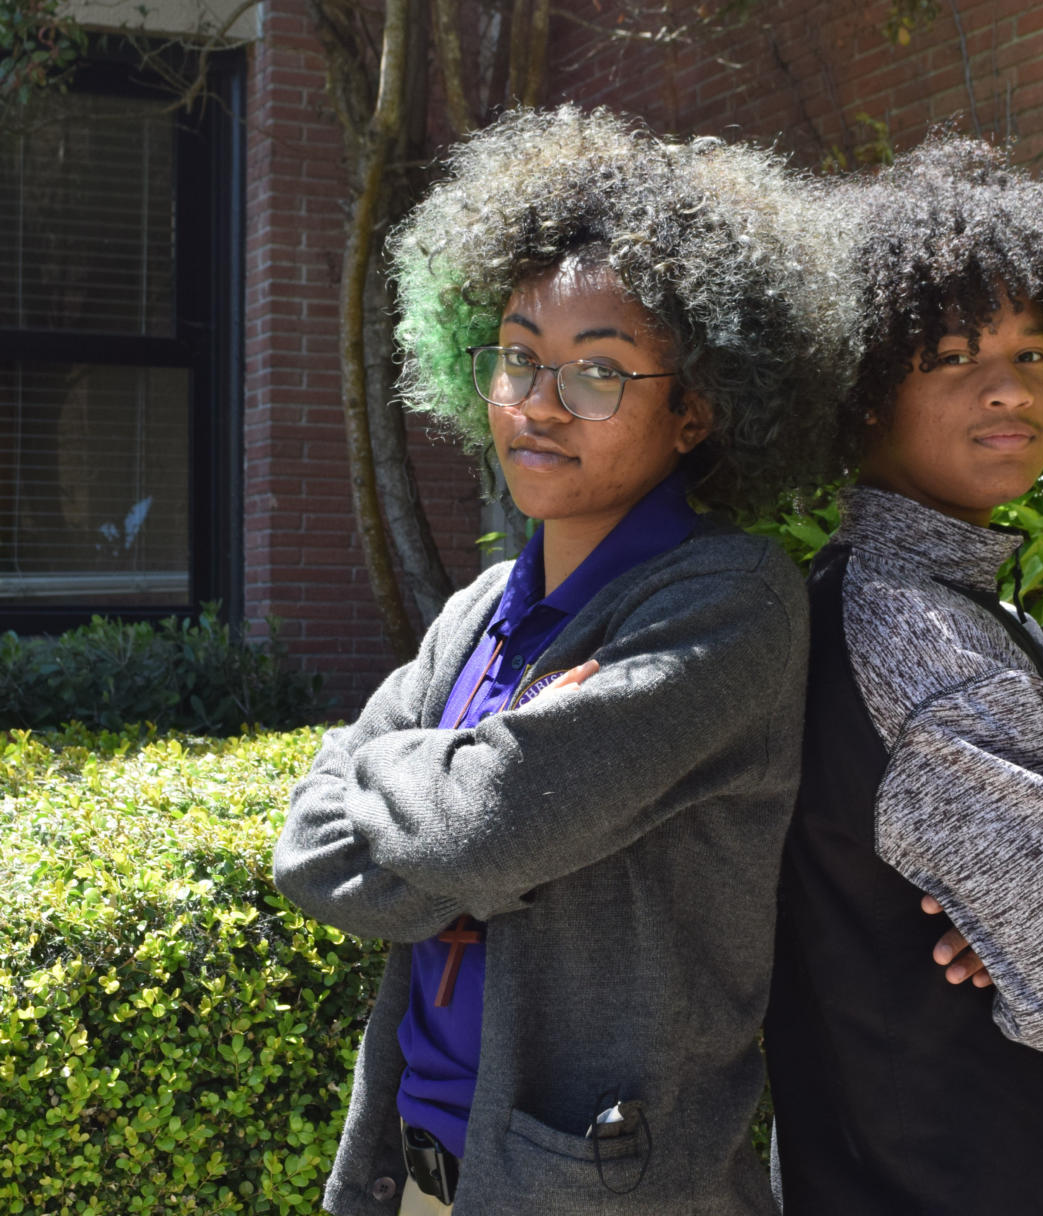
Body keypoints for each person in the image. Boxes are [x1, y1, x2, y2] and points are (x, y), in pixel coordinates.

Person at [273, 106, 846, 1216]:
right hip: (416, 1169)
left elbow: (489, 824)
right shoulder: (484, 604)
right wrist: (467, 789)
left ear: (694, 412)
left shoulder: (730, 602)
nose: (537, 401)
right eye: (517, 357)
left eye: (597, 373)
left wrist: (416, 784)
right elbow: (306, 849)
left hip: (606, 1185)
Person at [764, 136, 1043, 1215]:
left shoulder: (877, 597)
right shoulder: (923, 640)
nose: (1008, 390)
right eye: (954, 356)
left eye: (1033, 354)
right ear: (864, 389)